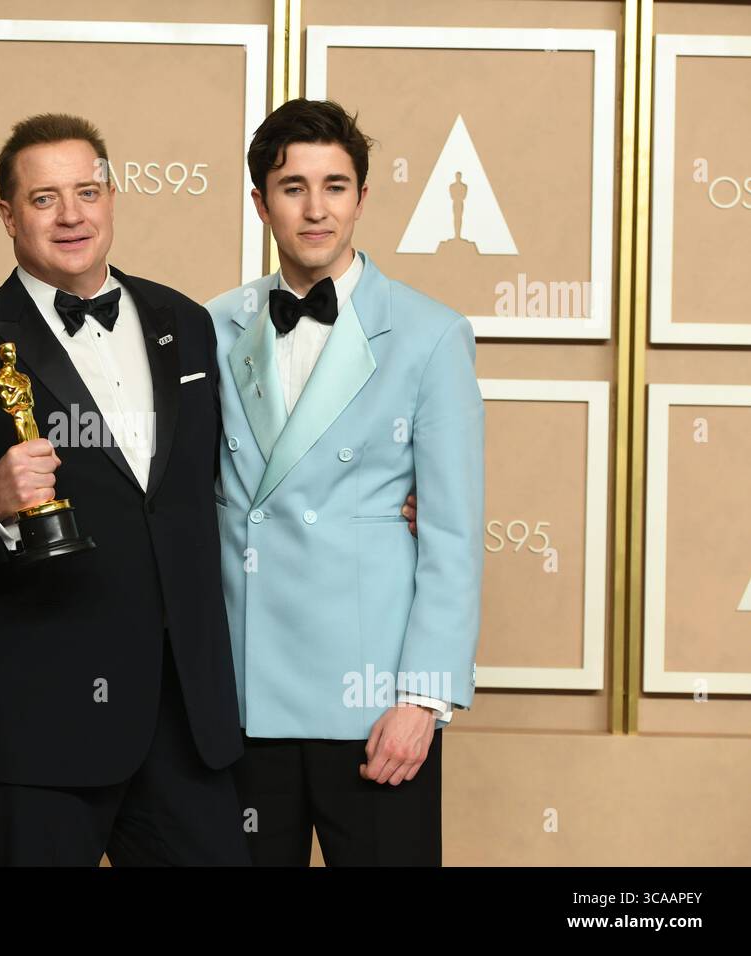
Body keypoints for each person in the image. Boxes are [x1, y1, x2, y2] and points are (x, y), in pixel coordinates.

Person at [0, 114, 249, 866]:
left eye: (87, 190)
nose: (73, 214)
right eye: (45, 199)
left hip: (187, 722)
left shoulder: (187, 322)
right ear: (8, 217)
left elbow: (223, 481)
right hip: (37, 733)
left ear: (112, 197)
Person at [205, 98, 484, 866]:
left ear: (363, 196)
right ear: (260, 202)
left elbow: (454, 537)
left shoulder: (431, 335)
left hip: (374, 708)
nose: (316, 207)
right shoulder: (211, 324)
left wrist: (424, 700)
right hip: (243, 701)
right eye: (293, 187)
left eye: (335, 185)